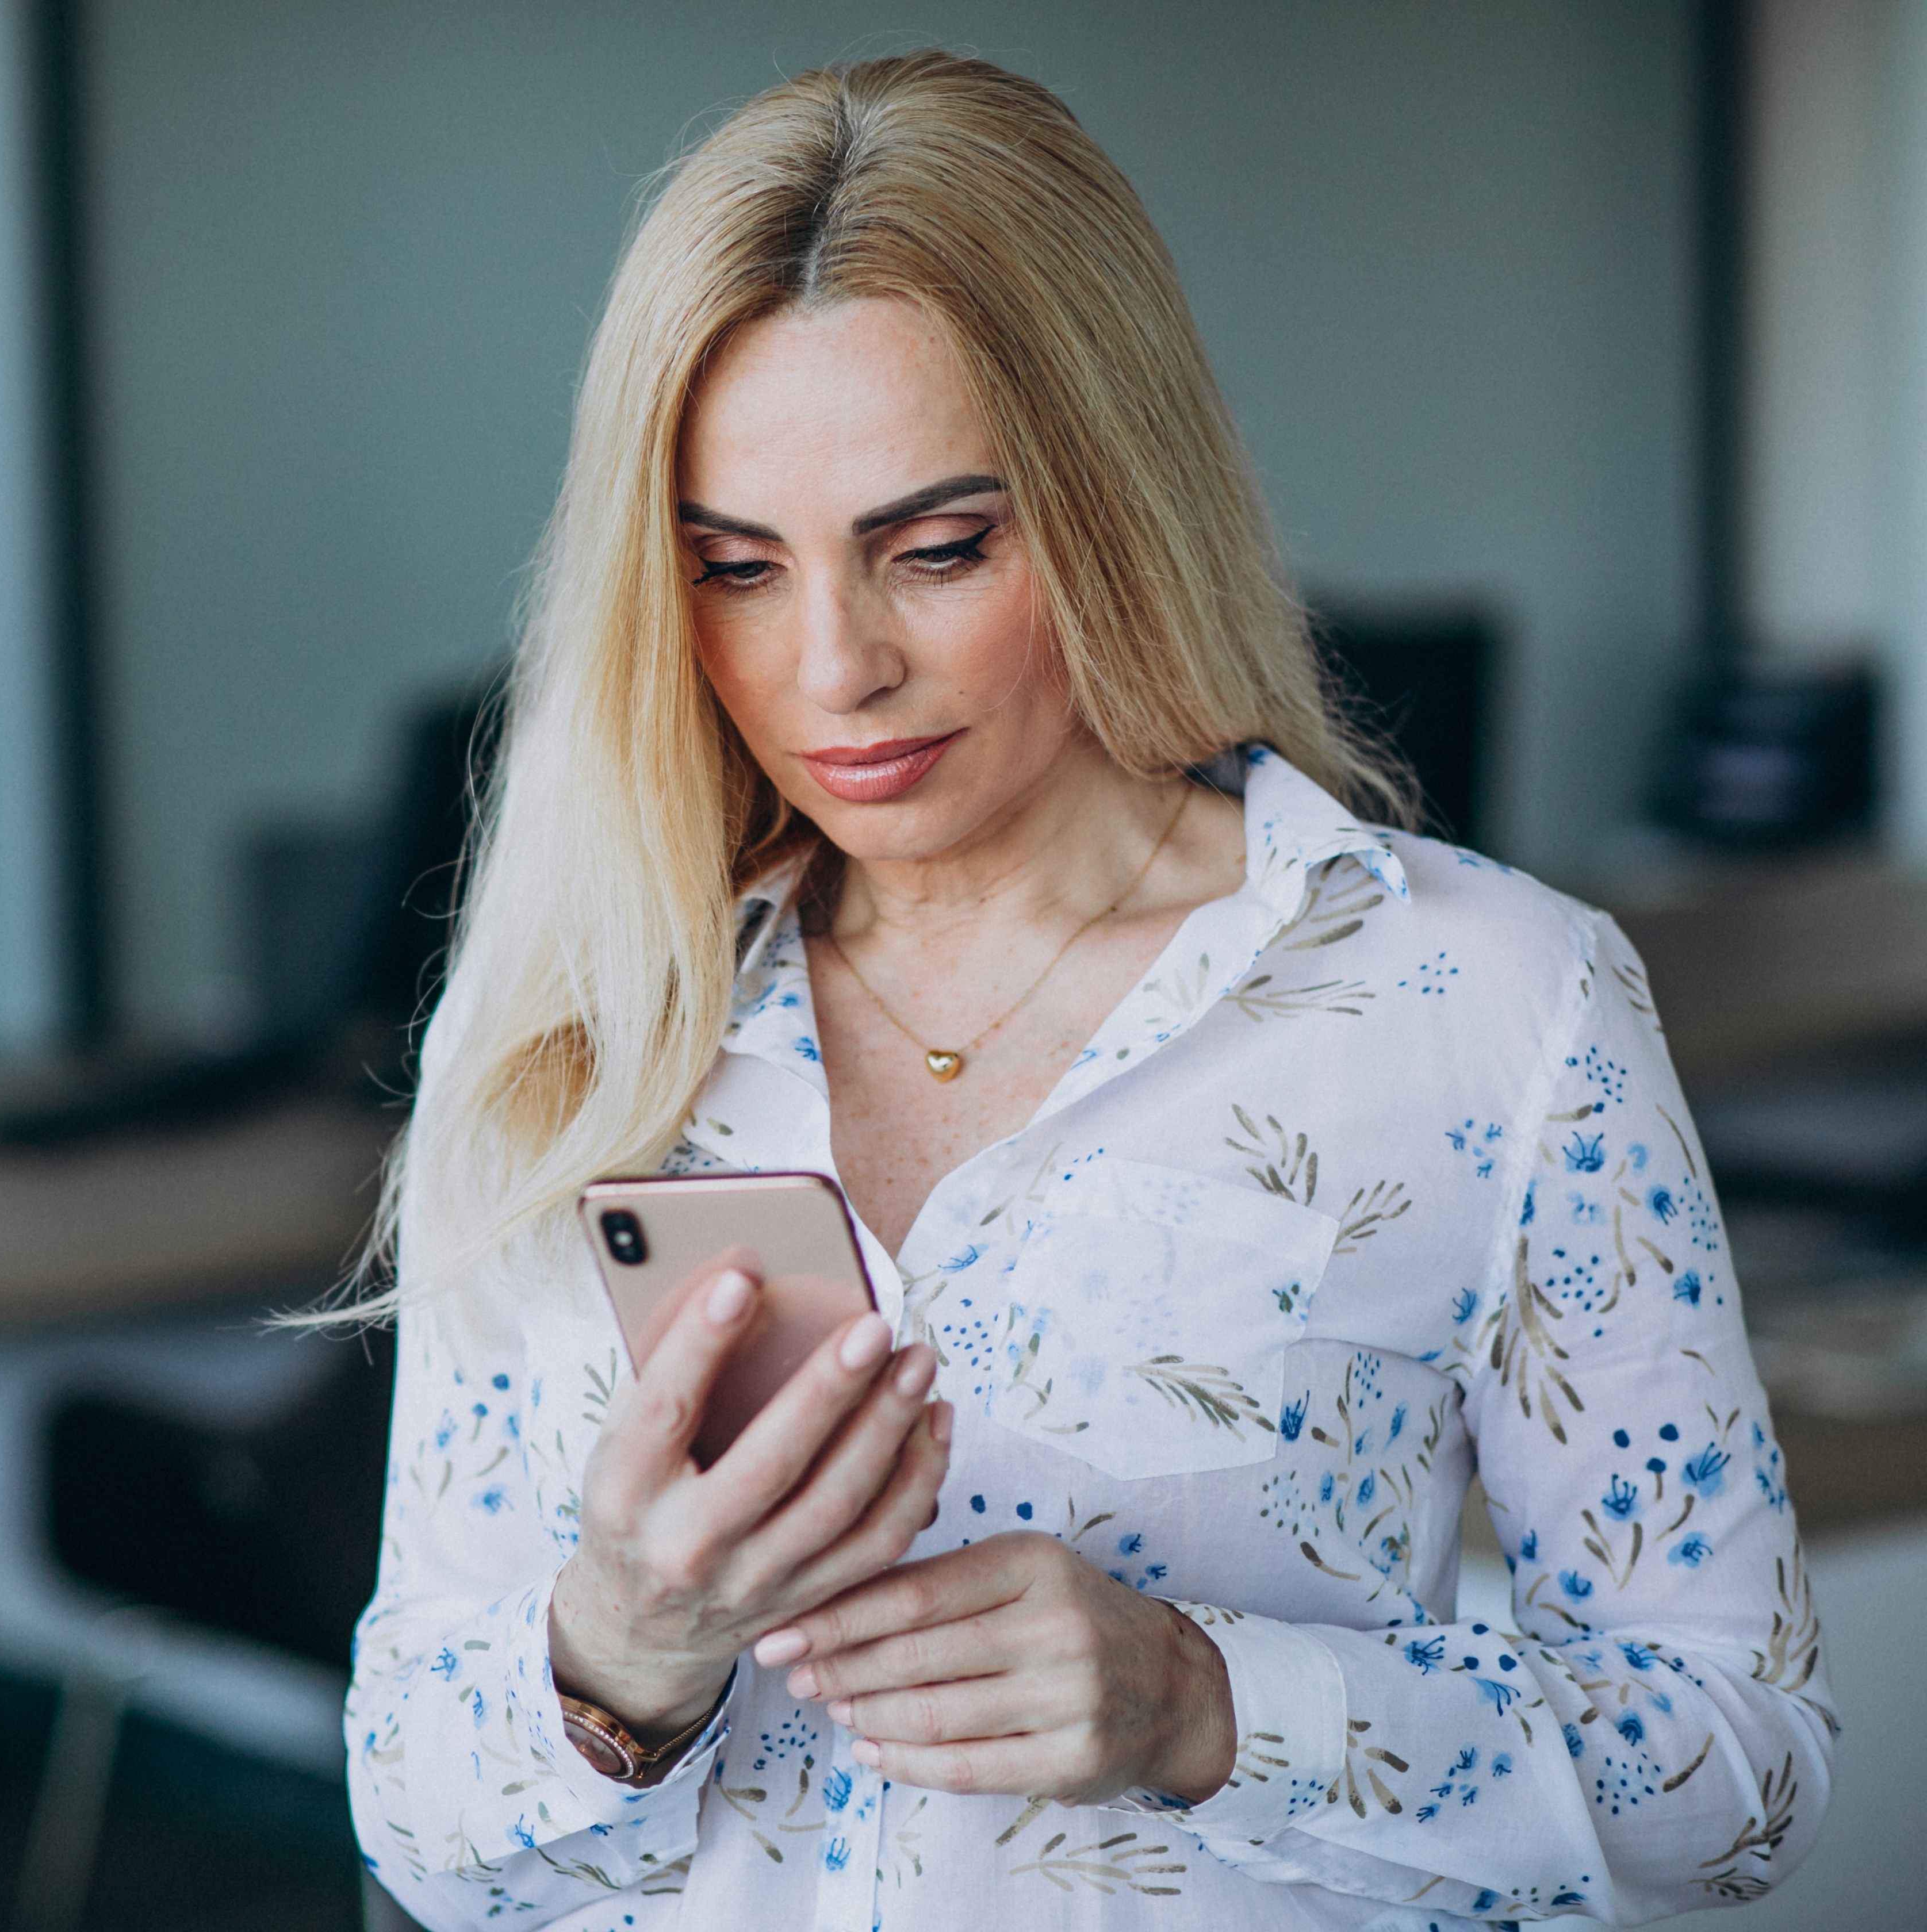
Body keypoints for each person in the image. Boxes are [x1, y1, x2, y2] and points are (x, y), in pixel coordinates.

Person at [342, 50, 1834, 1931]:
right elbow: (411, 1824)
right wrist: (622, 1652)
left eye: (938, 549)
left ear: (1116, 499)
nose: (833, 671)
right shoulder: (585, 1021)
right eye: (735, 570)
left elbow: (1741, 1775)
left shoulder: (1492, 1006)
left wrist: (1211, 1703)